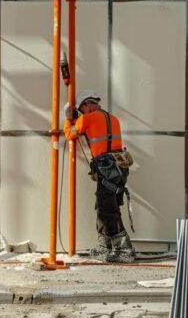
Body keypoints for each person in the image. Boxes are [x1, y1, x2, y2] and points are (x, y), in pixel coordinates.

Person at [64, 90, 136, 263]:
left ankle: (124, 249)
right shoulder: (113, 118)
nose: (81, 112)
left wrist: (68, 118)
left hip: (106, 167)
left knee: (106, 208)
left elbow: (70, 134)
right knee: (107, 205)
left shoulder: (87, 118)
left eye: (82, 108)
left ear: (88, 104)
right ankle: (106, 246)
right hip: (119, 166)